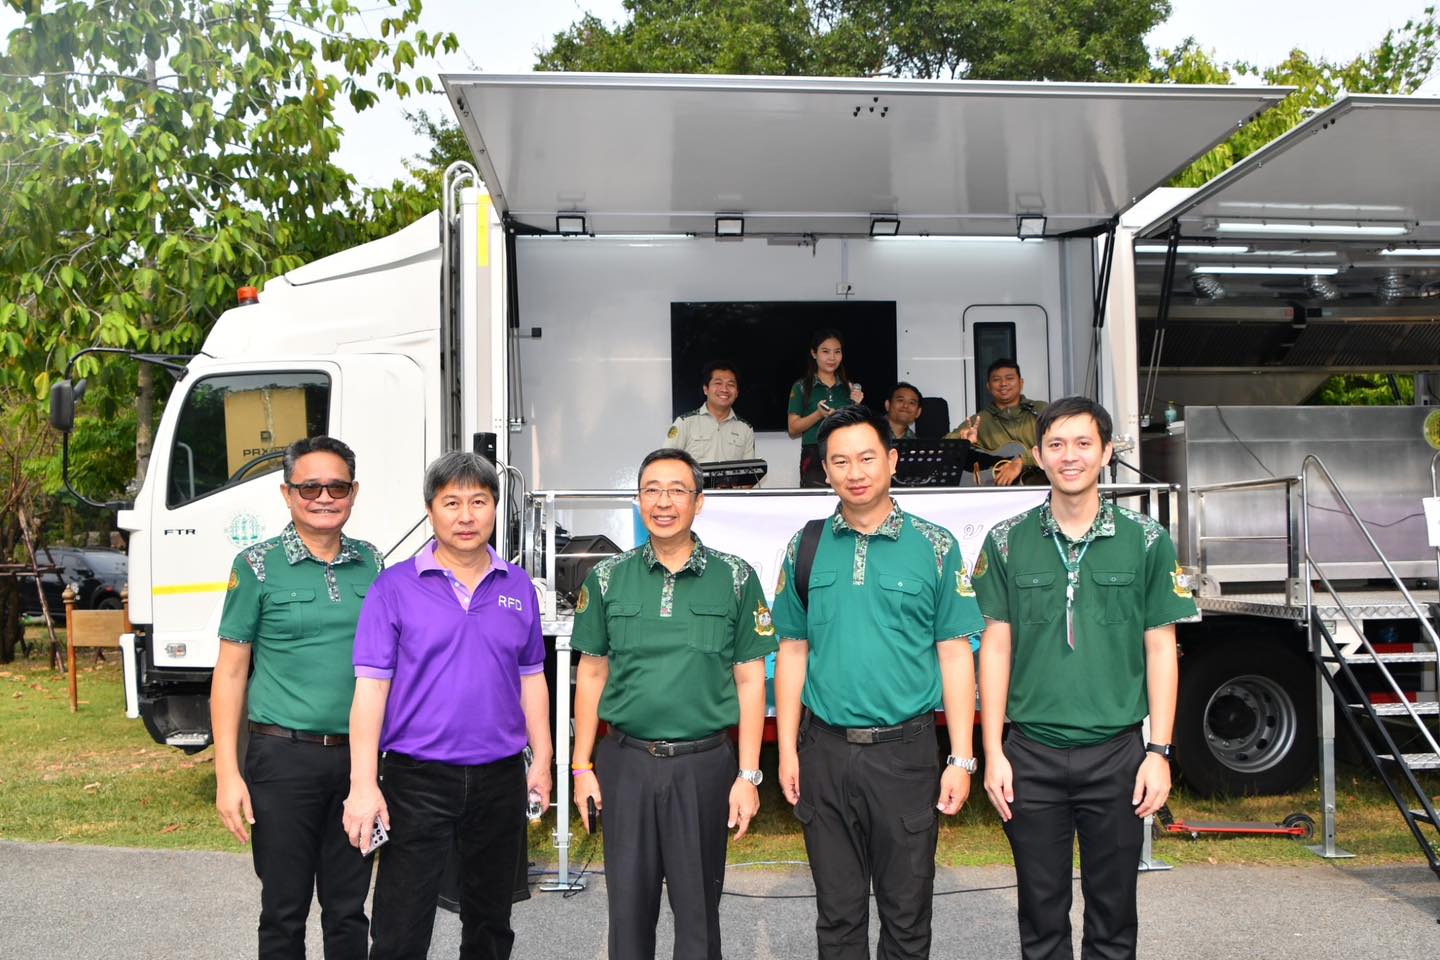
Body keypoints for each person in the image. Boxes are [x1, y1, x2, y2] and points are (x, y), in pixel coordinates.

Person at [973, 396, 1198, 960]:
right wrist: (993, 751)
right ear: (1037, 456)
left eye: (1082, 443)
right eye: (1056, 445)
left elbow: (1161, 648)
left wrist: (1159, 751)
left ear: (1105, 453)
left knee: (1114, 913)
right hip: (1031, 755)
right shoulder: (1006, 540)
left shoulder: (1146, 539)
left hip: (1117, 755)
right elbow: (995, 646)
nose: (1069, 456)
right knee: (1040, 912)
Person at [772, 405, 985, 960]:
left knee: (906, 915)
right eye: (840, 461)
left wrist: (961, 758)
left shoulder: (935, 546)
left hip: (905, 755)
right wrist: (788, 750)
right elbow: (792, 650)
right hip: (824, 753)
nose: (855, 472)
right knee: (837, 916)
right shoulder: (805, 547)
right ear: (824, 470)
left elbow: (955, 654)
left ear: (892, 461)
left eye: (867, 457)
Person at [344, 451, 552, 960]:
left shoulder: (518, 586)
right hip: (417, 780)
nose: (466, 516)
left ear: (495, 508)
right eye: (451, 502)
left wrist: (543, 760)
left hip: (499, 777)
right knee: (400, 928)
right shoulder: (393, 588)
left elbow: (532, 677)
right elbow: (370, 691)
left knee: (491, 924)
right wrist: (363, 784)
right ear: (431, 510)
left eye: (478, 502)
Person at [569, 447, 775, 960]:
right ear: (638, 500)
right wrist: (581, 767)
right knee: (627, 916)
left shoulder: (734, 577)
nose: (664, 502)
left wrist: (749, 776)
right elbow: (591, 674)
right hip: (627, 764)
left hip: (703, 767)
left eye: (677, 491)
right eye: (652, 490)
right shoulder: (607, 577)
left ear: (698, 502)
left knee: (698, 915)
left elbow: (752, 681)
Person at [210, 435, 383, 960]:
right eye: (310, 487)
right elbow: (230, 674)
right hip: (282, 761)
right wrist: (227, 775)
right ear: (287, 494)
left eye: (337, 487)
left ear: (354, 492)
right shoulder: (256, 565)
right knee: (283, 912)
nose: (324, 497)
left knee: (348, 910)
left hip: (358, 763)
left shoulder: (372, 562)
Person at [946, 358, 1047, 485]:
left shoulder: (1041, 410)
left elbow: (1060, 445)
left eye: (1009, 378)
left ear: (1021, 383)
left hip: (1043, 486)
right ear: (988, 386)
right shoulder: (979, 420)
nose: (1003, 383)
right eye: (996, 379)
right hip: (999, 491)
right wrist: (964, 443)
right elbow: (943, 449)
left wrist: (1021, 462)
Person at [787, 328, 864, 488]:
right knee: (815, 500)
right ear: (814, 353)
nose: (832, 357)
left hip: (846, 452)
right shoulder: (801, 387)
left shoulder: (849, 387)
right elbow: (793, 429)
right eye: (825, 351)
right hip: (814, 454)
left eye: (837, 352)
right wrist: (818, 414)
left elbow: (858, 429)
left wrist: (857, 406)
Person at [666, 361, 756, 462]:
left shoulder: (745, 429)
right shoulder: (684, 423)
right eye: (718, 383)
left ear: (737, 393)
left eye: (730, 384)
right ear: (706, 389)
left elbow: (749, 469)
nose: (724, 389)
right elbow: (666, 462)